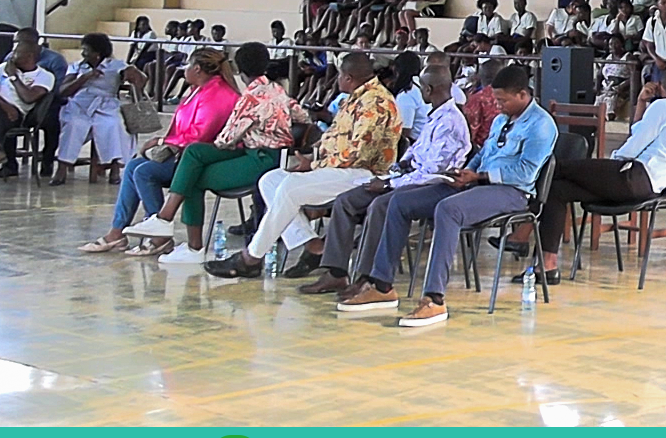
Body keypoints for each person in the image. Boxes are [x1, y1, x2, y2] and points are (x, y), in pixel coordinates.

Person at [339, 63, 557, 327]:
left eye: (503, 100)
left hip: (512, 192)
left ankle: (434, 299)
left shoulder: (542, 125)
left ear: (523, 95)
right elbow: (483, 155)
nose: (498, 106)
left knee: (448, 209)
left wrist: (480, 177)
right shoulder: (502, 120)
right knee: (399, 201)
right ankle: (381, 285)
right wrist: (467, 171)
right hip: (478, 182)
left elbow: (524, 172)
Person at [204, 51, 399, 279]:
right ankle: (314, 246)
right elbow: (335, 140)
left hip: (365, 174)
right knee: (270, 180)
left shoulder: (375, 103)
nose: (337, 80)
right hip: (340, 168)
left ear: (348, 77)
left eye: (339, 76)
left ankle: (250, 258)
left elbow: (358, 152)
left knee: (289, 187)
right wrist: (313, 160)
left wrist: (315, 165)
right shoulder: (356, 97)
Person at [296, 64, 471, 294]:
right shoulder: (436, 114)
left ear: (428, 89)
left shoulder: (450, 121)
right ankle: (336, 273)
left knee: (380, 206)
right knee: (347, 200)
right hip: (409, 178)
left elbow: (431, 173)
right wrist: (400, 166)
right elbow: (416, 153)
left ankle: (367, 277)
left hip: (431, 186)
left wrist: (388, 183)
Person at [121, 43, 301, 264]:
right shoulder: (277, 90)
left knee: (193, 173)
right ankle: (164, 220)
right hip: (266, 154)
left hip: (260, 159)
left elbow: (226, 139)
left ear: (239, 68)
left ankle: (185, 239)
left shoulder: (251, 97)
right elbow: (302, 117)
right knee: (195, 153)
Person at [522, 64, 666, 283]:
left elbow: (635, 144)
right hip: (651, 187)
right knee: (558, 189)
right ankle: (547, 267)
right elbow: (641, 131)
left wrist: (611, 162)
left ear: (660, 87)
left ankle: (520, 230)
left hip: (633, 177)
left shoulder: (663, 107)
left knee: (558, 168)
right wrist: (642, 103)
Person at [80, 47, 238, 255]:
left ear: (198, 69)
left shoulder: (218, 94)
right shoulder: (198, 89)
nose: (184, 71)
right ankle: (117, 232)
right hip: (182, 154)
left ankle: (159, 234)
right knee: (134, 166)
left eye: (188, 67)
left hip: (202, 162)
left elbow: (200, 136)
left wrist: (162, 140)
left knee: (145, 172)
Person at [50, 33, 148, 186]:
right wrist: (84, 77)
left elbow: (141, 78)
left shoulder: (117, 65)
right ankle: (62, 168)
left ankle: (115, 169)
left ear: (98, 53)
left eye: (87, 50)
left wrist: (132, 73)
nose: (83, 53)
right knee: (74, 125)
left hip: (107, 104)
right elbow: (63, 91)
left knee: (115, 124)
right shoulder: (77, 67)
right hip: (80, 104)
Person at [0, 34, 55, 194]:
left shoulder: (45, 76)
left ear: (29, 56)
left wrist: (14, 77)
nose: (11, 56)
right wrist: (4, 104)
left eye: (16, 52)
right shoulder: (3, 67)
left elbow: (29, 98)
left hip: (13, 117)